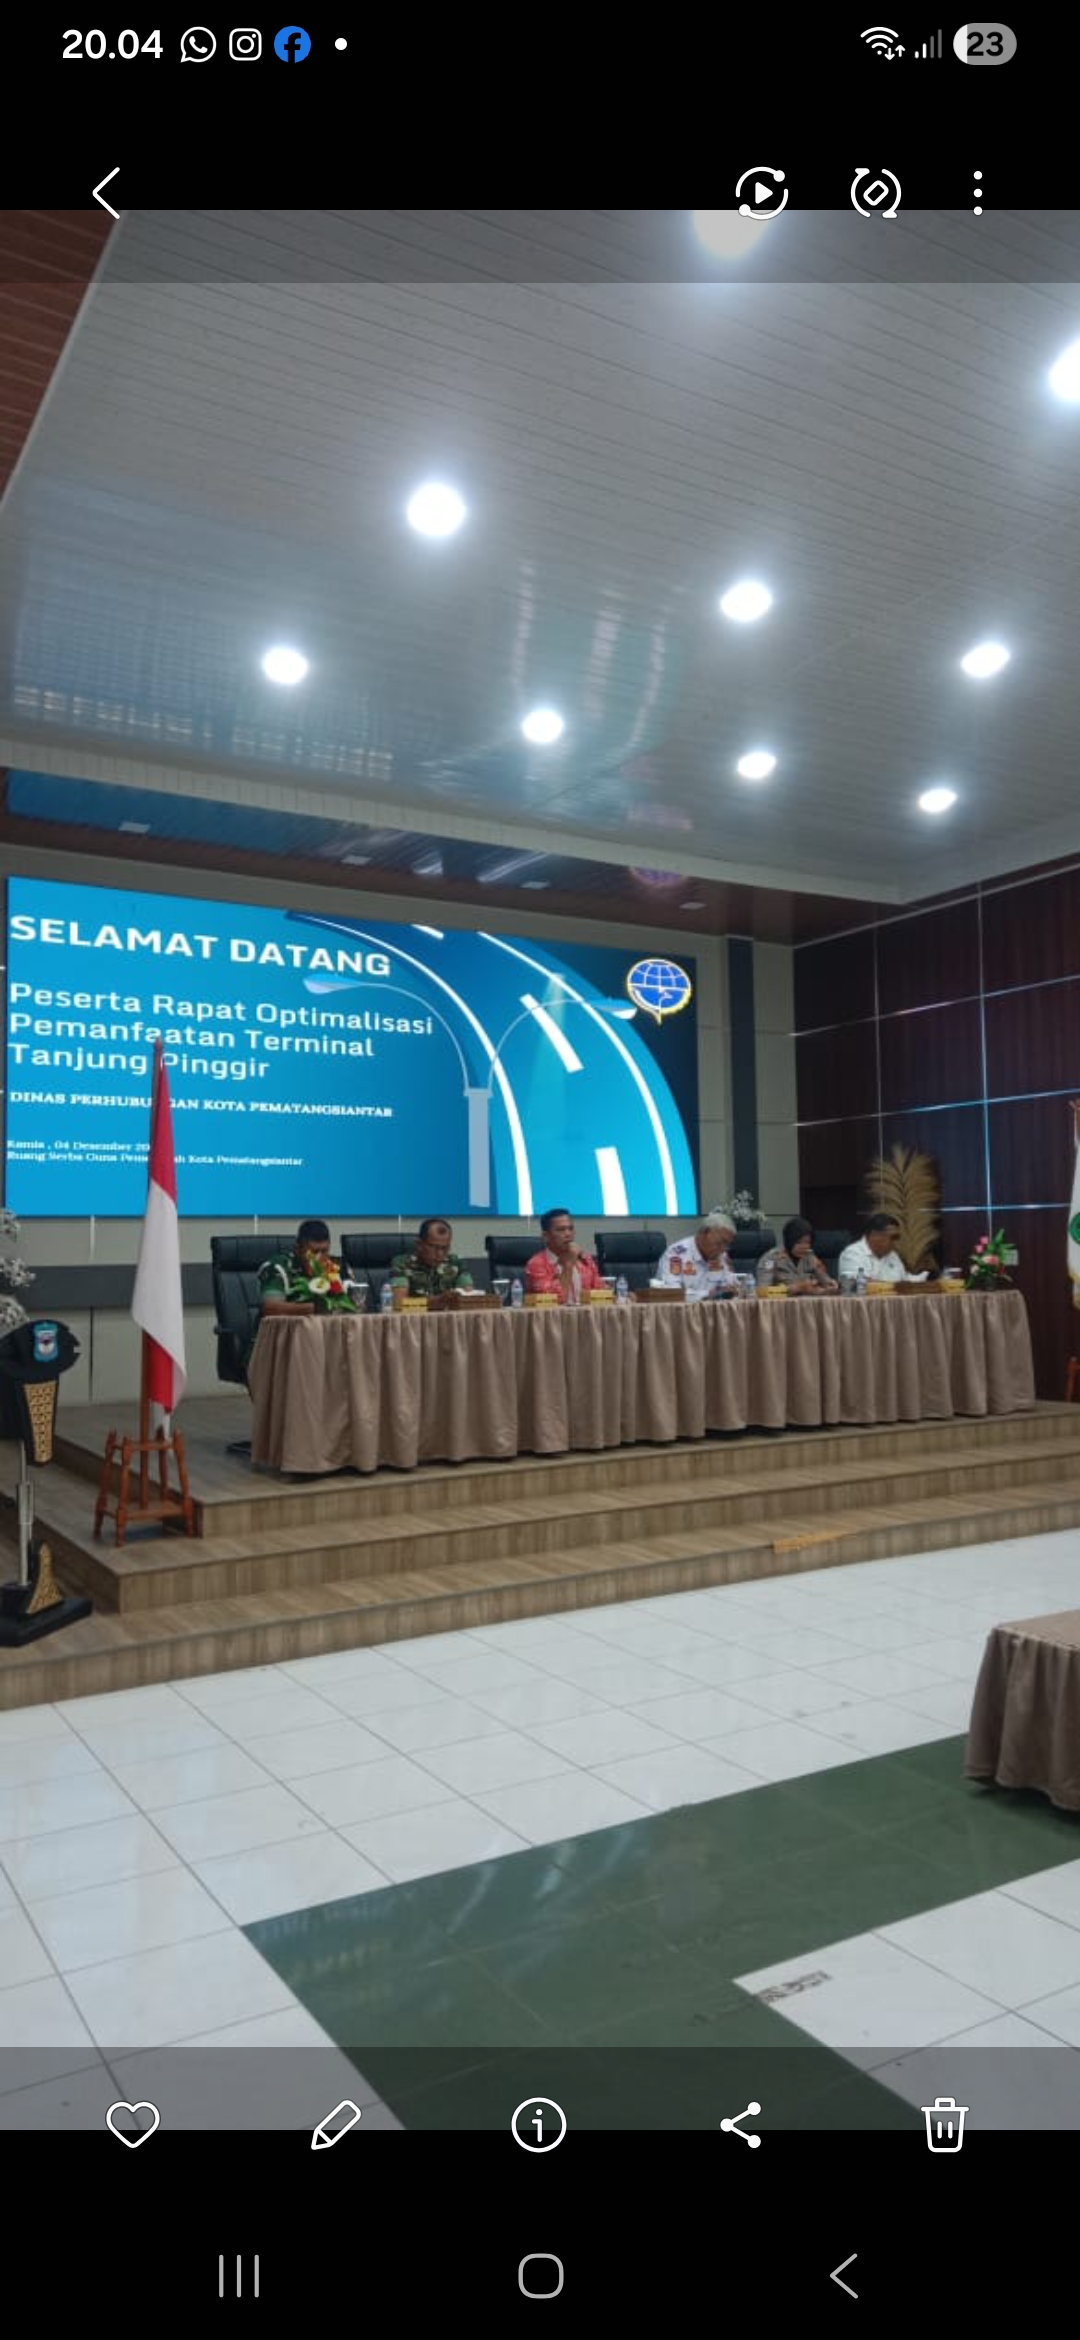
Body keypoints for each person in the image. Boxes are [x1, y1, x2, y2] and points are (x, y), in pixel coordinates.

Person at [258, 1220, 364, 1317]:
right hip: (284, 1334)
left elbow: (358, 1306)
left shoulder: (338, 1266)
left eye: (324, 1251)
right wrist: (316, 1308)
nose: (319, 1258)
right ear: (298, 1249)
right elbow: (270, 1309)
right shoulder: (278, 1267)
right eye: (314, 1252)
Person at [525, 1207, 604, 1303]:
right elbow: (554, 1302)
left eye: (570, 1229)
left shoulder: (585, 1259)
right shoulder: (537, 1264)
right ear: (546, 1236)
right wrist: (568, 1264)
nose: (568, 1234)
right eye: (561, 1230)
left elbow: (601, 1294)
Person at [657, 1211, 739, 1297]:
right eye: (720, 1243)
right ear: (704, 1233)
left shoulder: (721, 1256)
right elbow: (672, 1294)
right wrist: (708, 1294)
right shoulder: (676, 1255)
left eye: (727, 1244)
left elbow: (732, 1288)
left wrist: (732, 1287)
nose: (723, 1249)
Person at [388, 1218, 475, 1298]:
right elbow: (399, 1302)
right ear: (419, 1245)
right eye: (434, 1247)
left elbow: (468, 1297)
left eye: (445, 1248)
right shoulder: (402, 1263)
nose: (440, 1254)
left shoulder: (456, 1262)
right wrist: (437, 1302)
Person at [838, 1214, 929, 1286]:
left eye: (898, 1237)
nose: (896, 1242)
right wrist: (896, 1286)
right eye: (894, 1237)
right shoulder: (852, 1254)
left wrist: (923, 1279)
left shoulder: (892, 1255)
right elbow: (861, 1284)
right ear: (875, 1236)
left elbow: (904, 1279)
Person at [757, 1216, 838, 1292]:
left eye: (807, 1242)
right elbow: (763, 1291)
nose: (803, 1247)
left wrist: (831, 1284)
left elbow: (825, 1281)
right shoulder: (771, 1258)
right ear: (789, 1241)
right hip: (781, 1304)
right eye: (798, 1242)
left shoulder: (810, 1256)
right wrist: (794, 1288)